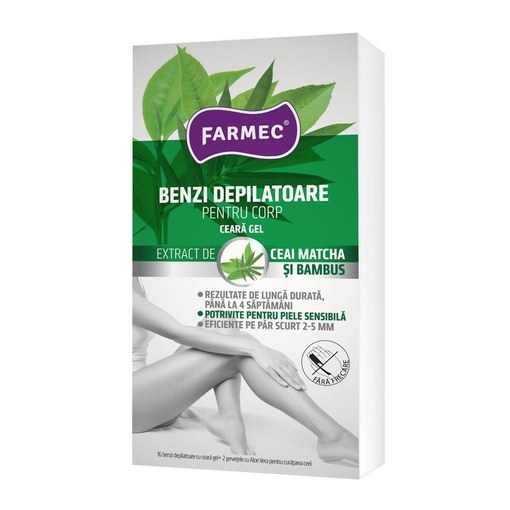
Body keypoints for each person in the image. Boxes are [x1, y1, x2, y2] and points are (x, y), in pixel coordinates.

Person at [133, 278, 358, 464]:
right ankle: (332, 436)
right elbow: (176, 331)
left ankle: (228, 416)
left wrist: (250, 346)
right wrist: (255, 348)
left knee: (222, 321)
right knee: (240, 348)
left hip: (145, 400)